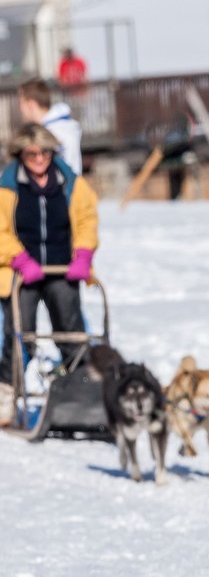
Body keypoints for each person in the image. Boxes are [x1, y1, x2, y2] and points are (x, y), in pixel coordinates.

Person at [0, 124, 99, 427]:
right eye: (31, 154)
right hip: (22, 271)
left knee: (71, 334)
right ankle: (7, 397)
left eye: (44, 152)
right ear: (20, 155)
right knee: (20, 337)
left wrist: (83, 254)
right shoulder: (8, 186)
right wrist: (19, 258)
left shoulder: (70, 183)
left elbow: (86, 219)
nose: (39, 159)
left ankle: (81, 394)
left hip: (62, 269)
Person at [18, 77, 82, 176]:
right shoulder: (61, 126)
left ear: (31, 104)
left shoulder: (55, 133)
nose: (20, 108)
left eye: (21, 103)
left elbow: (65, 174)